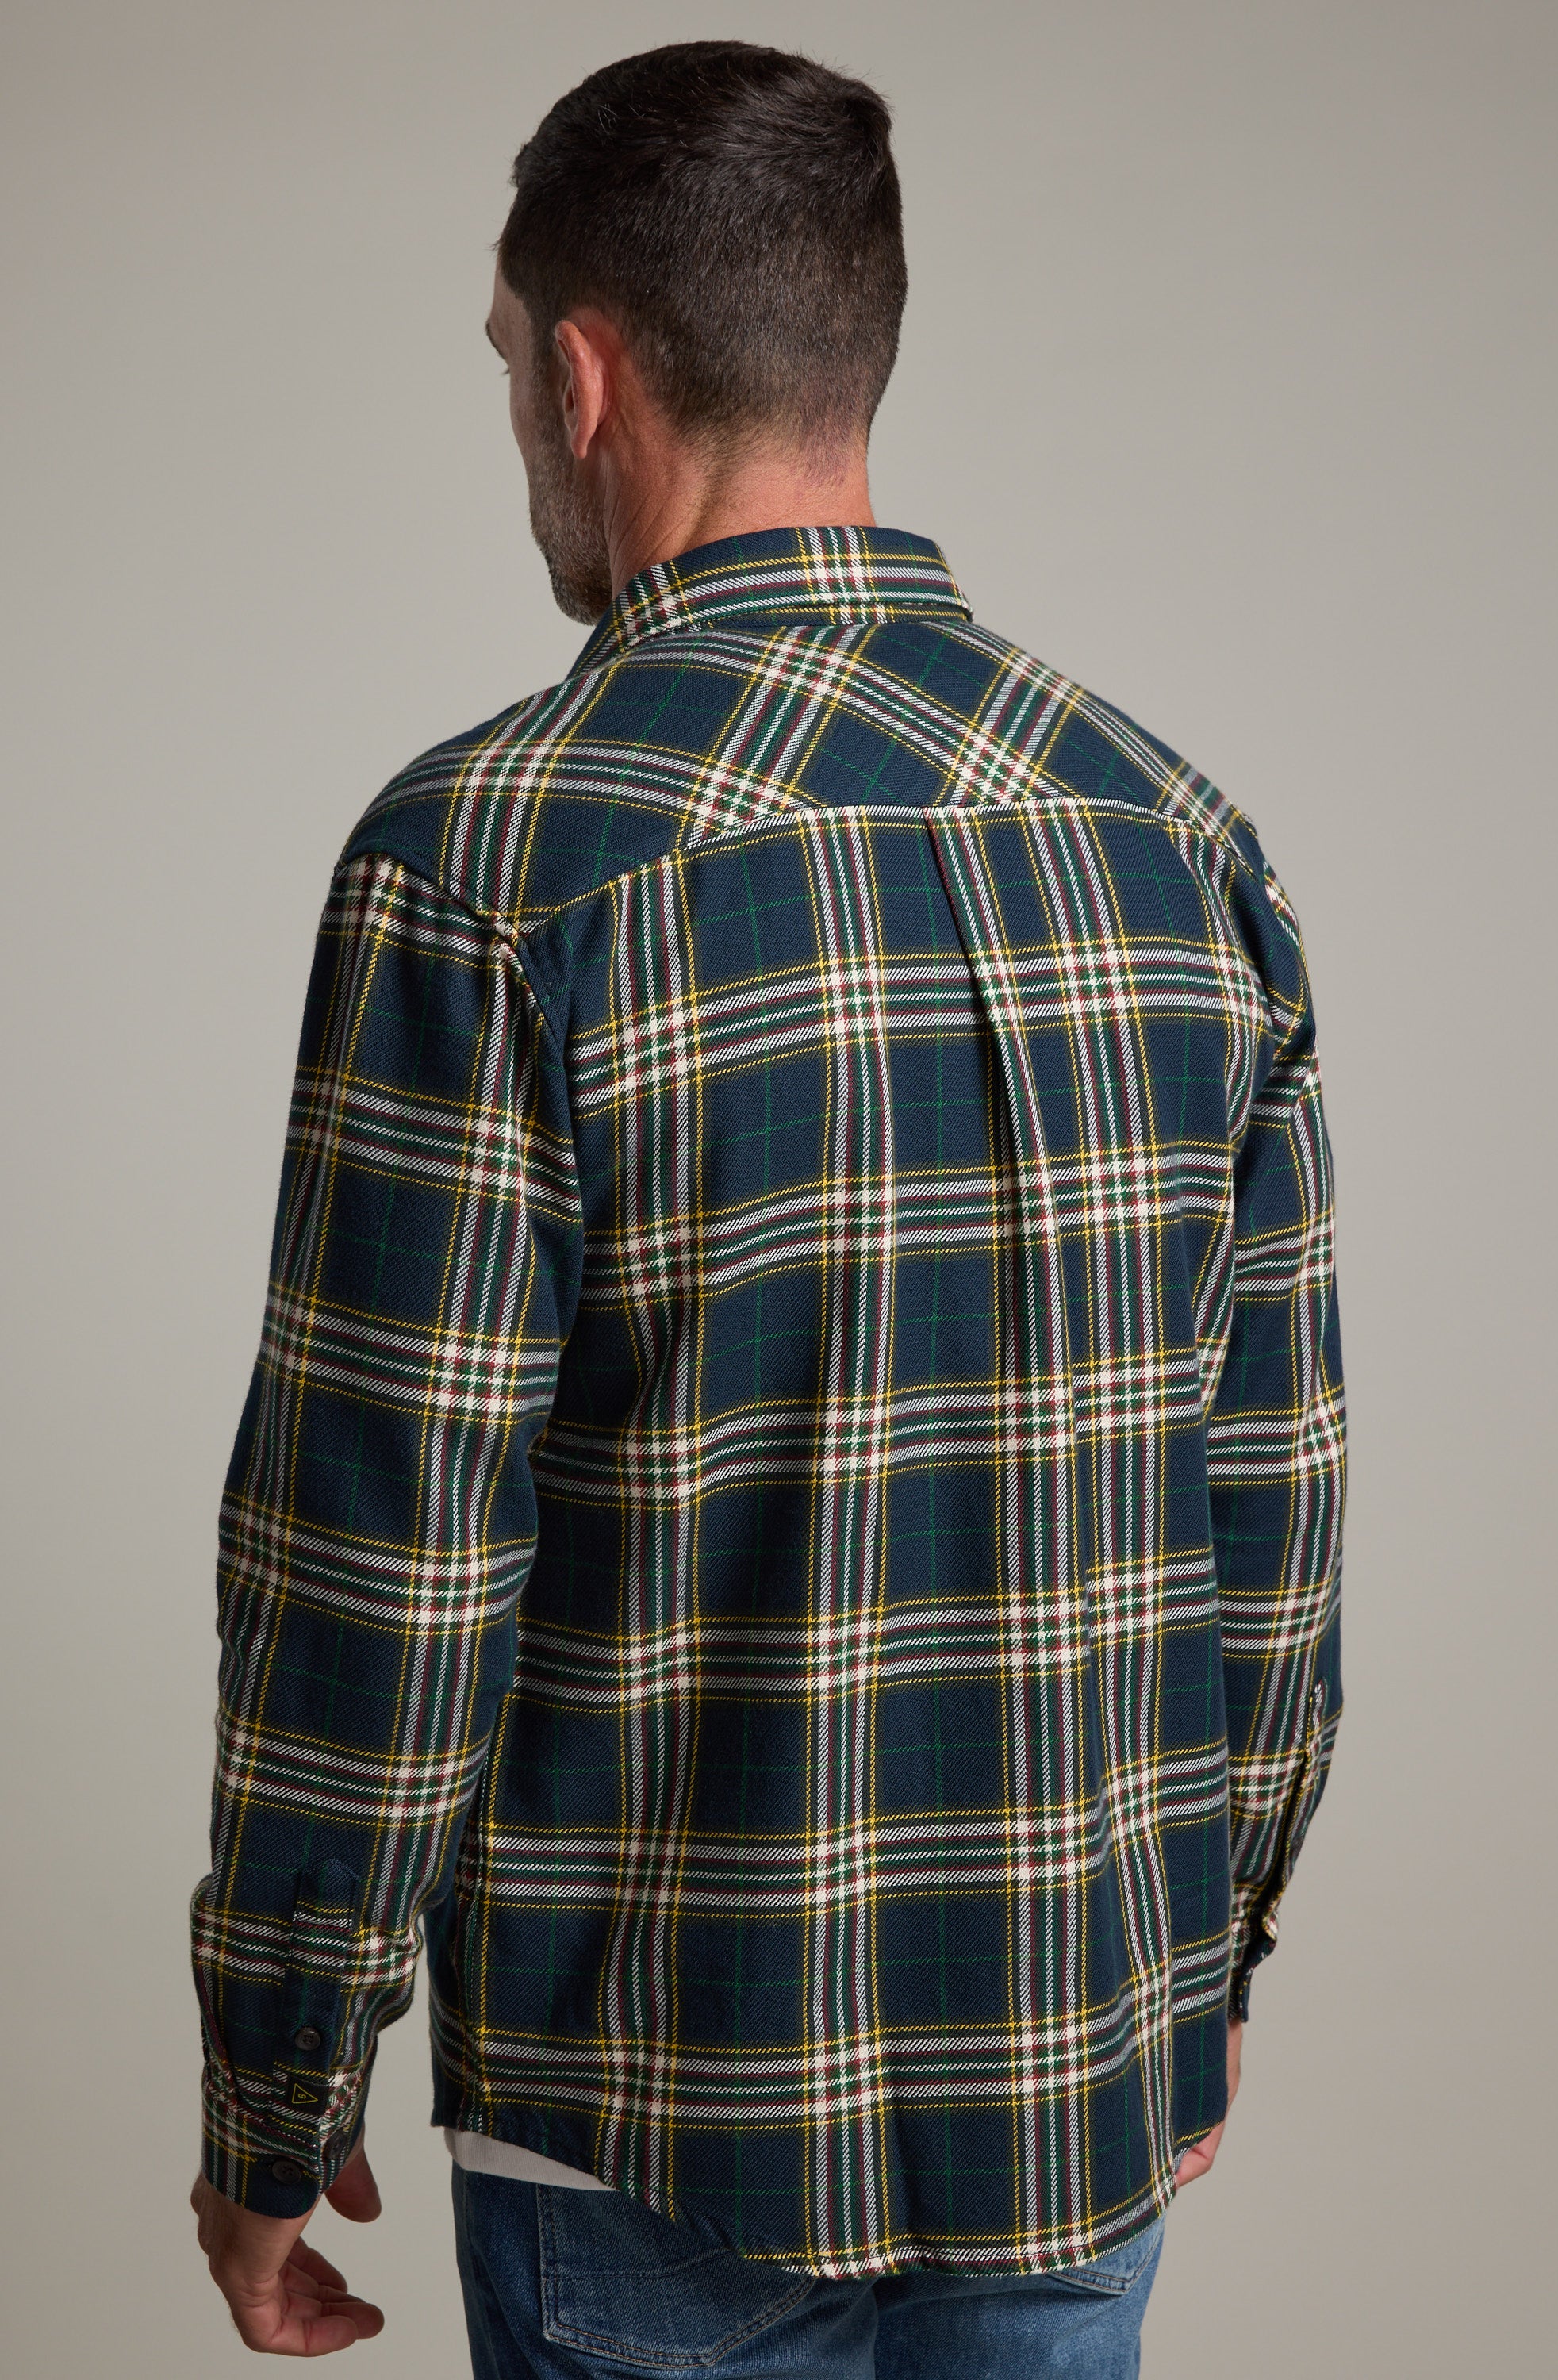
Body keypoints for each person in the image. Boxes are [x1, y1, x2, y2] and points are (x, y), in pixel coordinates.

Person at [188, 39, 1345, 2376]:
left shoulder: (493, 862)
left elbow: (378, 1572)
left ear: (584, 372)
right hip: (1074, 2089)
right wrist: (1201, 1963)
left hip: (652, 2137)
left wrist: (269, 2092)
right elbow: (1272, 1496)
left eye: (511, 364)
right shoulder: (1170, 831)